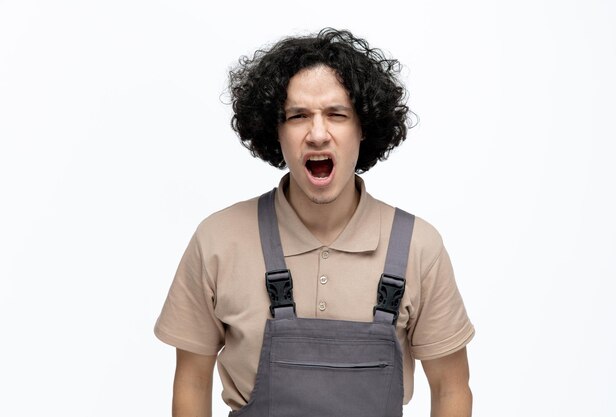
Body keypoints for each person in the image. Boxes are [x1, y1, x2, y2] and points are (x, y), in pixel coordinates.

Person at [155, 28, 475, 417]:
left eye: (337, 115)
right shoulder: (219, 240)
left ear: (363, 128)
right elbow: (191, 380)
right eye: (298, 116)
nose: (318, 134)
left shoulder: (417, 247)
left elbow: (451, 388)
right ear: (276, 131)